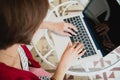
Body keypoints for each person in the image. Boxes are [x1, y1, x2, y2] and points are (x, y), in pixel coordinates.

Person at [0, 0, 85, 80]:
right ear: (22, 33)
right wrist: (63, 66)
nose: (40, 26)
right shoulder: (8, 76)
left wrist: (51, 26)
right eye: (37, 24)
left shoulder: (7, 36)